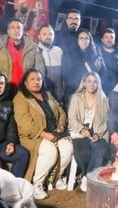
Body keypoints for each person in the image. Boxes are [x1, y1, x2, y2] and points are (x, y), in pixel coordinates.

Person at [13, 69, 73, 200]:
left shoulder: (47, 94)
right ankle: (37, 184)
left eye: (39, 79)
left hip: (54, 132)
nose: (36, 82)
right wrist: (44, 134)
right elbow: (25, 123)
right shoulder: (21, 98)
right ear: (25, 82)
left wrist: (61, 125)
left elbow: (61, 112)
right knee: (50, 150)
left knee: (68, 148)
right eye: (32, 79)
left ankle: (55, 178)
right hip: (33, 136)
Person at [68, 71, 111, 192]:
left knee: (100, 150)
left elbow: (106, 122)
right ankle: (87, 175)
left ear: (98, 84)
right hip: (79, 131)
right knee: (83, 153)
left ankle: (87, 178)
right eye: (89, 81)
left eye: (95, 82)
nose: (92, 84)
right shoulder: (76, 98)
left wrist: (98, 134)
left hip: (98, 132)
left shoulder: (103, 99)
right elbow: (72, 118)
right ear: (84, 83)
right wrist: (82, 130)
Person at [0, 18, 45, 93]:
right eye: (13, 27)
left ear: (23, 31)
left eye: (19, 28)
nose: (16, 30)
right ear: (8, 31)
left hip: (26, 91)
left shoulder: (33, 49)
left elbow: (40, 71)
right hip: (4, 91)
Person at [37, 24, 65, 103]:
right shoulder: (35, 50)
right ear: (39, 36)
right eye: (44, 34)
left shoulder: (59, 51)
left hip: (59, 92)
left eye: (50, 34)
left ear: (54, 36)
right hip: (43, 93)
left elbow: (62, 74)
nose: (48, 36)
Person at [100, 27, 118, 95]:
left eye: (111, 37)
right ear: (102, 40)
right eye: (106, 37)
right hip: (101, 92)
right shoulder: (97, 54)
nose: (109, 40)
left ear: (114, 40)